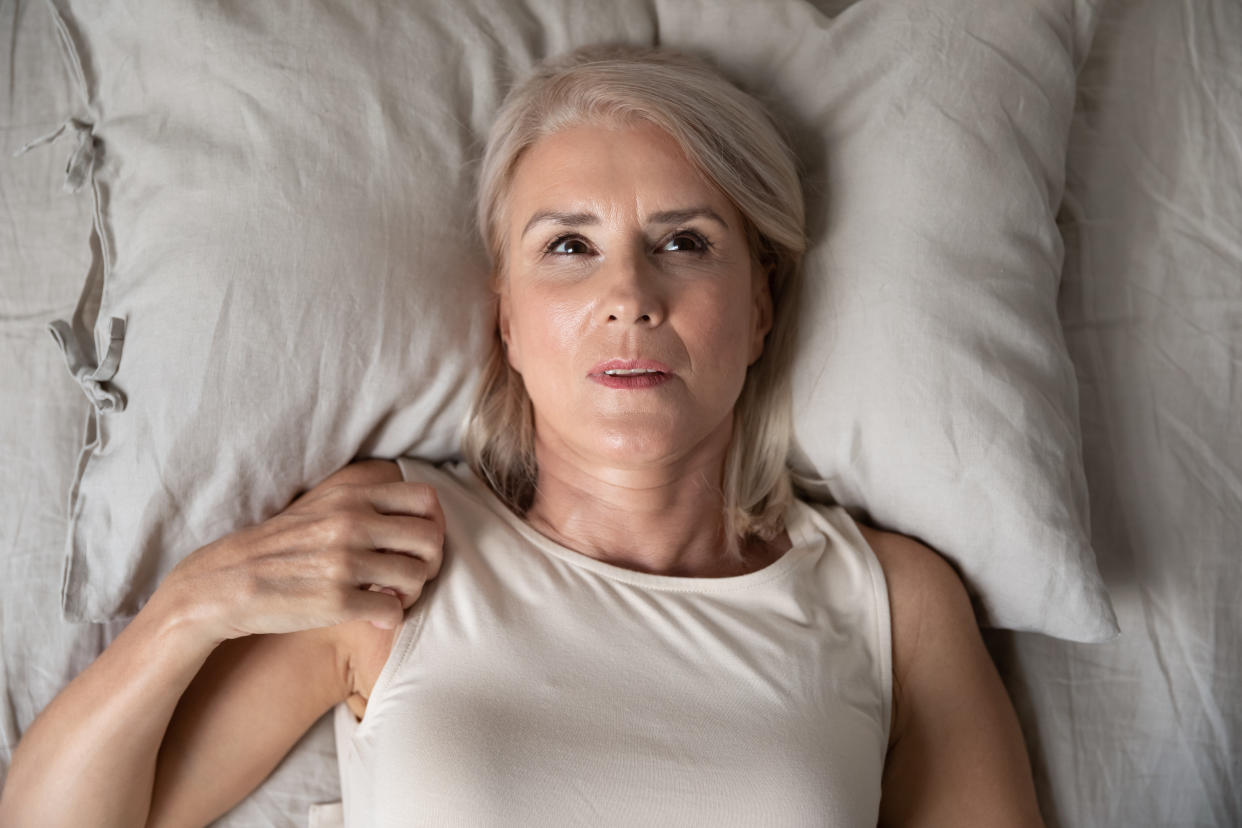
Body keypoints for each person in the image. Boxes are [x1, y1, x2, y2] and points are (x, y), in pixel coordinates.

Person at [0, 43, 1044, 827]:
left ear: (761, 306)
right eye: (569, 246)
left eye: (685, 241)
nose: (628, 296)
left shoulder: (892, 603)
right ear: (505, 314)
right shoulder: (395, 549)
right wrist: (190, 607)